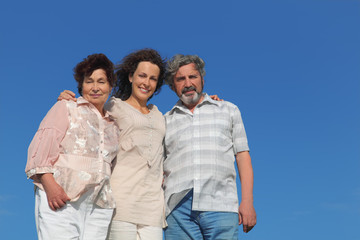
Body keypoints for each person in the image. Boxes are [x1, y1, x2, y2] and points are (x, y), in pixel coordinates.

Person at [58, 49, 167, 240]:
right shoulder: (114, 107)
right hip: (121, 202)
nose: (146, 82)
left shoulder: (160, 116)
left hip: (153, 207)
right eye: (142, 75)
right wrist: (68, 99)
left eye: (153, 78)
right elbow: (89, 112)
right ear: (131, 76)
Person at [25, 53, 120, 240]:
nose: (95, 87)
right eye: (89, 81)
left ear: (110, 86)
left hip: (99, 206)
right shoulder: (67, 107)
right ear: (81, 85)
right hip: (62, 197)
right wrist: (50, 185)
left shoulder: (113, 125)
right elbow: (41, 147)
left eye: (101, 82)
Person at [163, 54, 257, 239]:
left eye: (193, 77)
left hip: (221, 203)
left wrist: (247, 201)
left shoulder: (229, 110)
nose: (188, 83)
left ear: (202, 79)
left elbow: (242, 156)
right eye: (180, 79)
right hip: (177, 209)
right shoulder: (165, 121)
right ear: (173, 86)